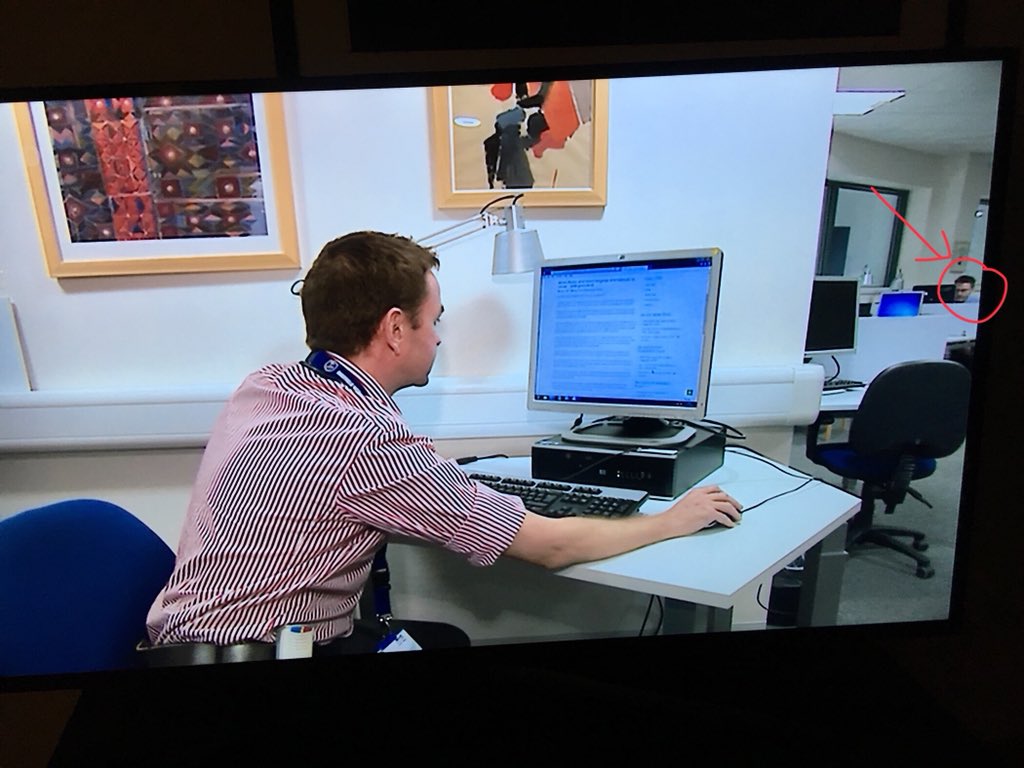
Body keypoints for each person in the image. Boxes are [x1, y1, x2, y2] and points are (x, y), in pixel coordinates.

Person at [143, 231, 742, 662]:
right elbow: (552, 546)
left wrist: (447, 485)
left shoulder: (266, 385)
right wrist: (672, 520)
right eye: (434, 321)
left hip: (182, 639)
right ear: (394, 328)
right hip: (259, 653)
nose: (438, 339)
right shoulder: (367, 441)